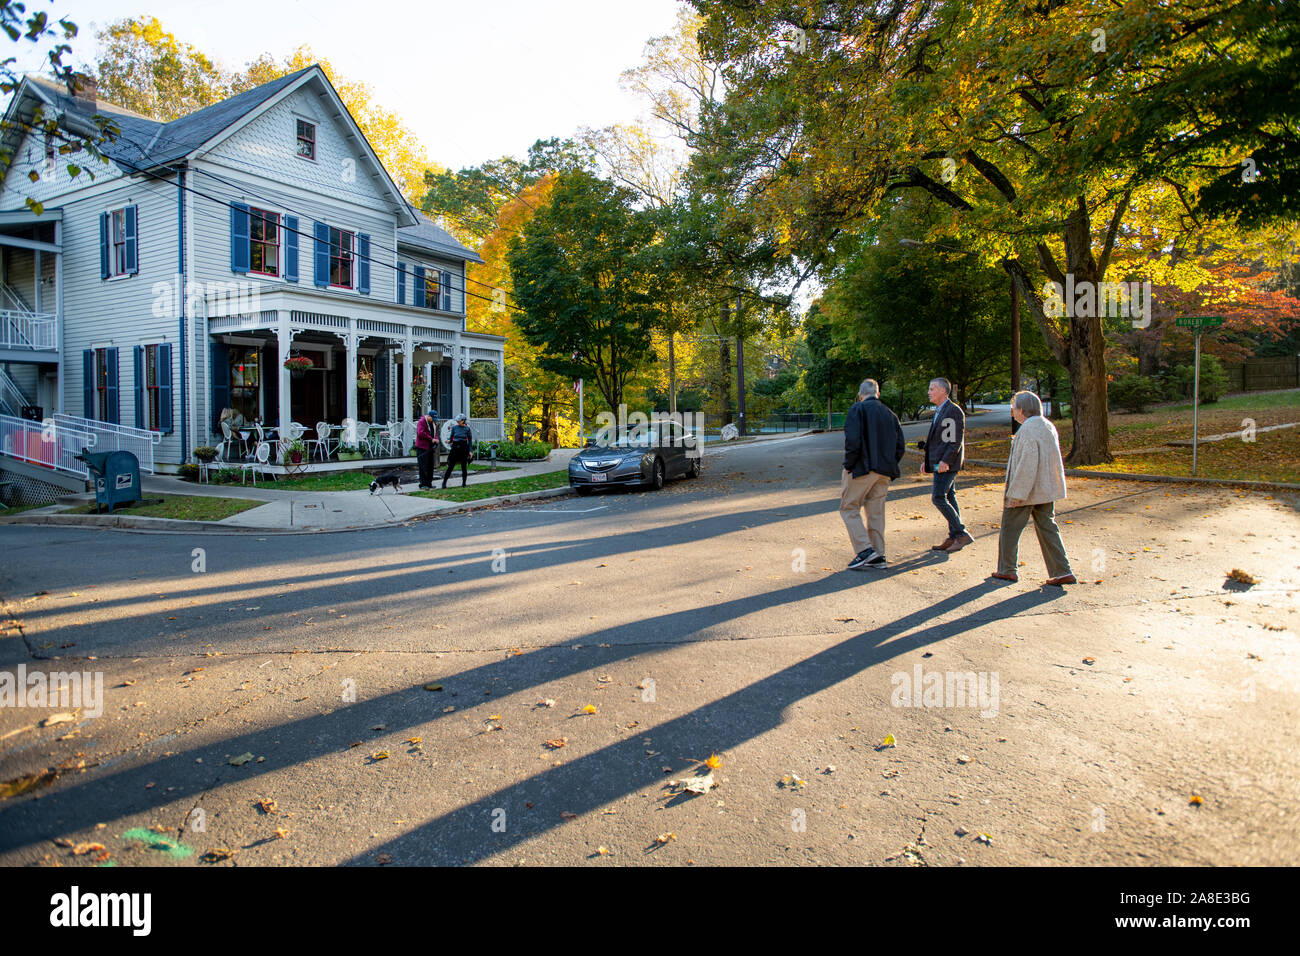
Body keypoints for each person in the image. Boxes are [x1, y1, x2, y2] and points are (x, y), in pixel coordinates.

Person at [992, 390, 1076, 586]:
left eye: (1013, 408)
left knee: (1009, 528)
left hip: (1028, 491)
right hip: (1045, 489)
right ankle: (1063, 570)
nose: (1012, 412)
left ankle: (1007, 569)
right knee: (1048, 527)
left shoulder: (1027, 430)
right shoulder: (1047, 426)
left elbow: (1026, 465)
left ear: (1022, 409)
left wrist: (1017, 494)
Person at [841, 379, 906, 570]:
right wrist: (890, 463)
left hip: (862, 468)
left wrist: (849, 464)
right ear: (878, 394)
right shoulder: (890, 414)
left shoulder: (857, 409)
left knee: (848, 507)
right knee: (876, 512)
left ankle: (865, 550)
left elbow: (852, 440)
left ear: (861, 395)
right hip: (884, 471)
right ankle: (879, 554)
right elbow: (900, 446)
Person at [917, 377, 971, 553]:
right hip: (940, 462)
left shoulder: (952, 411)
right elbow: (938, 441)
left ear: (942, 391)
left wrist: (945, 461)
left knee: (938, 497)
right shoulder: (941, 410)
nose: (929, 392)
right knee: (949, 496)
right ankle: (954, 536)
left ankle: (961, 533)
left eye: (932, 389)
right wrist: (928, 463)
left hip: (947, 464)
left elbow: (954, 441)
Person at [442, 413, 474, 489]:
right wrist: (448, 441)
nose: (457, 422)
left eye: (459, 421)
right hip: (455, 447)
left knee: (464, 466)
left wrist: (470, 451)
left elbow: (469, 441)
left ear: (463, 421)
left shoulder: (467, 429)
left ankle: (464, 483)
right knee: (451, 466)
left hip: (463, 448)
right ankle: (444, 482)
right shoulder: (454, 428)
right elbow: (451, 438)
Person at [415, 408, 440, 490]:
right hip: (422, 447)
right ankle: (423, 484)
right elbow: (421, 433)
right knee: (423, 466)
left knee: (430, 466)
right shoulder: (421, 422)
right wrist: (431, 439)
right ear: (429, 416)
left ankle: (429, 483)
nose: (433, 421)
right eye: (433, 418)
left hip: (430, 448)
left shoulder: (433, 423)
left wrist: (436, 439)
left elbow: (435, 433)